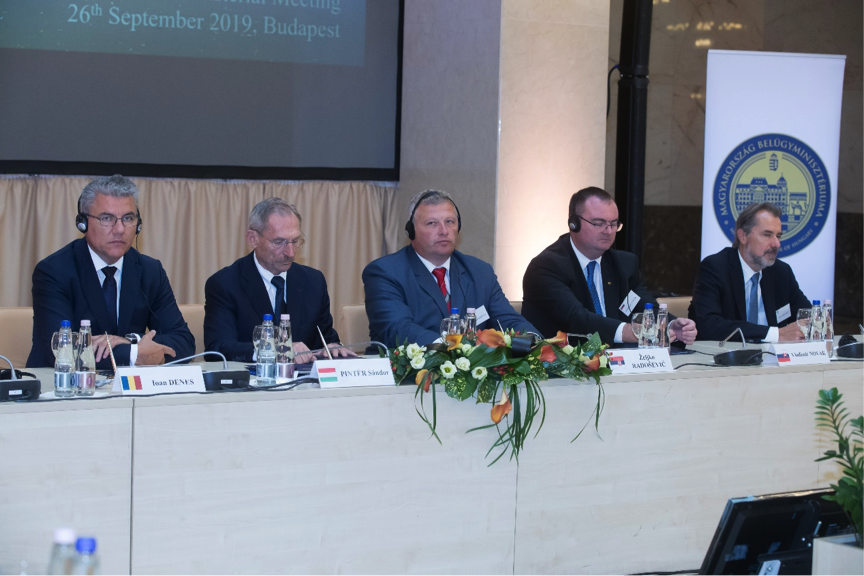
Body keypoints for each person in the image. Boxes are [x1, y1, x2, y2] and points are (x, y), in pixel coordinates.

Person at [27, 175, 194, 369]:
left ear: (138, 225)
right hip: (64, 391)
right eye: (107, 218)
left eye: (128, 218)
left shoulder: (150, 271)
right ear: (83, 223)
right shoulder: (54, 271)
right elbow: (61, 351)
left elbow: (184, 342)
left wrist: (130, 341)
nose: (120, 229)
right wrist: (135, 353)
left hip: (130, 392)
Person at [521, 187, 697, 345]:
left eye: (614, 224)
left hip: (619, 364)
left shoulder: (624, 264)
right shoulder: (546, 267)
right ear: (573, 223)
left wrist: (671, 325)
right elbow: (576, 319)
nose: (608, 230)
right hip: (561, 368)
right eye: (598, 223)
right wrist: (628, 332)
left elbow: (645, 306)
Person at [363, 190, 537, 347]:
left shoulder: (480, 272)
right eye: (432, 223)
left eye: (450, 222)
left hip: (475, 375)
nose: (444, 231)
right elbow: (398, 329)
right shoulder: (385, 272)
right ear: (411, 231)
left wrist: (533, 342)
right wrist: (451, 348)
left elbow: (508, 320)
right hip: (409, 377)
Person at [204, 198, 351, 363]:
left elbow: (326, 337)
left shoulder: (313, 281)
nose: (290, 253)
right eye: (279, 242)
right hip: (254, 383)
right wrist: (275, 350)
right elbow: (218, 349)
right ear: (253, 238)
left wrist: (332, 348)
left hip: (305, 384)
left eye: (295, 241)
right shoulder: (225, 284)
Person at [689, 202, 810, 342]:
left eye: (778, 236)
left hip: (773, 359)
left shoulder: (781, 272)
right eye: (767, 235)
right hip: (725, 359)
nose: (776, 244)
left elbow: (808, 315)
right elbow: (709, 326)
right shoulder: (715, 268)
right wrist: (776, 334)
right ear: (743, 236)